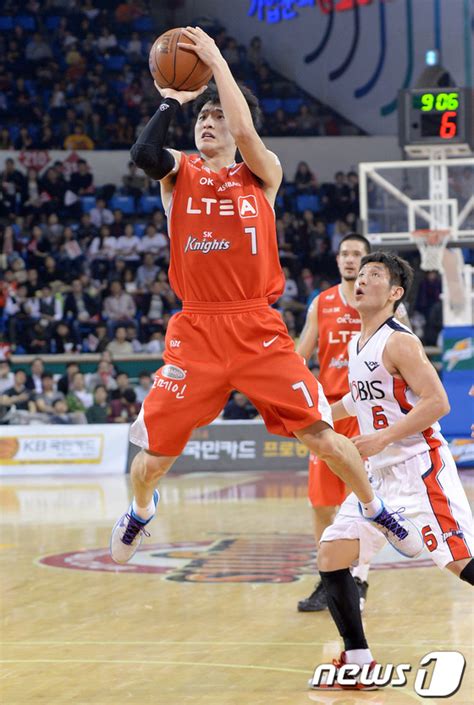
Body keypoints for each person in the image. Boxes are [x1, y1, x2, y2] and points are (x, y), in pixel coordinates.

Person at [110, 26, 422, 565]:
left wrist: (215, 63)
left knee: (322, 437)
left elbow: (246, 132)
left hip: (256, 327)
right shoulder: (178, 172)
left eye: (216, 118)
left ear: (232, 128)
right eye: (200, 118)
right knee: (153, 459)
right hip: (197, 330)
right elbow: (142, 152)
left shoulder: (262, 173)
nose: (208, 124)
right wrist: (172, 100)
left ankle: (376, 509)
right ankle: (139, 511)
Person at [309, 252, 474, 691]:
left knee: (460, 564)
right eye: (359, 275)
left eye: (374, 276)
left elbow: (438, 402)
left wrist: (382, 438)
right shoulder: (357, 343)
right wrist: (312, 415)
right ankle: (359, 660)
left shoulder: (399, 341)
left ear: (395, 292)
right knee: (331, 556)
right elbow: (355, 403)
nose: (361, 282)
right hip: (378, 478)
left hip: (420, 469)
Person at [296, 234, 410, 613]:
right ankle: (331, 577)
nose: (350, 261)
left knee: (366, 498)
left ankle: (358, 578)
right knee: (321, 503)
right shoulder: (322, 303)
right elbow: (300, 357)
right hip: (330, 413)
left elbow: (408, 357)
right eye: (344, 253)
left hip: (369, 416)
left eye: (357, 256)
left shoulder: (388, 309)